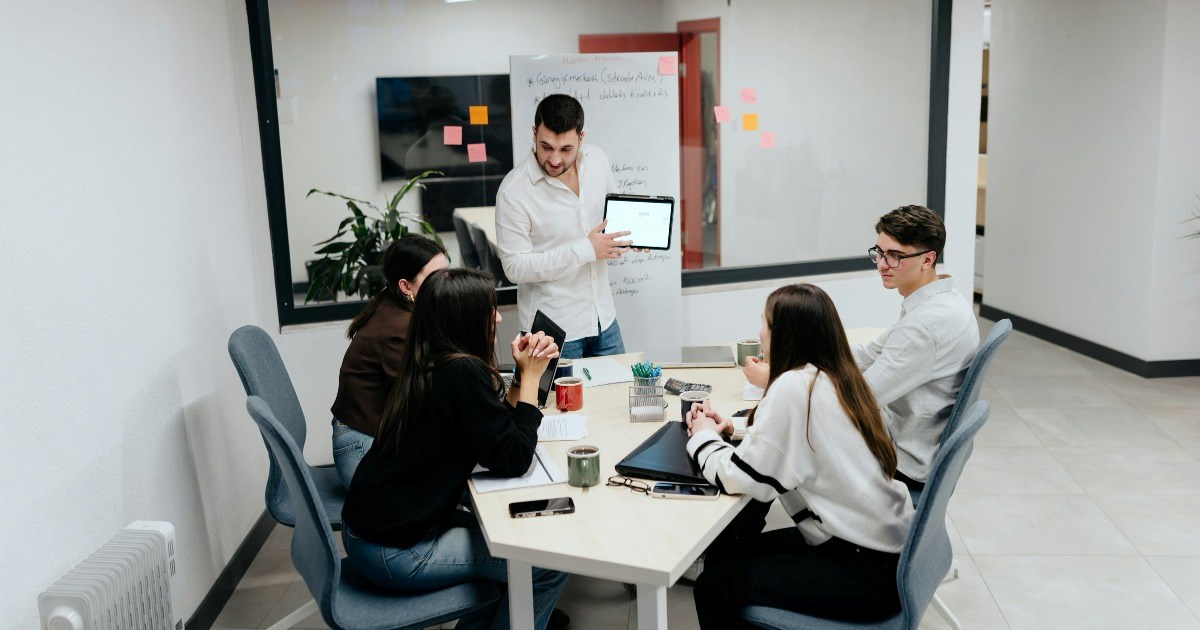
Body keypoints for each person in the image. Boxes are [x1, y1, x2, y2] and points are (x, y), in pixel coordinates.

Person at [341, 268, 569, 630]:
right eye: (489, 310)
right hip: (396, 550)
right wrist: (530, 378)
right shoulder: (460, 372)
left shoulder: (430, 359)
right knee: (548, 564)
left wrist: (521, 379)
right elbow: (514, 458)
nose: (498, 318)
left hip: (375, 531)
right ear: (465, 318)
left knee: (513, 539)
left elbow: (492, 433)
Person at [684, 284, 914, 627]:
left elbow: (739, 478)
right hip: (884, 553)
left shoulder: (794, 387)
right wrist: (734, 428)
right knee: (723, 556)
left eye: (764, 322)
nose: (759, 332)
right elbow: (806, 440)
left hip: (862, 572)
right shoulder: (835, 375)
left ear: (784, 334)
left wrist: (702, 436)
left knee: (713, 587)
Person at [743, 205, 978, 493]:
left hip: (901, 461)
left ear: (927, 259)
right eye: (879, 252)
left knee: (784, 436)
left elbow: (856, 403)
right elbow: (867, 354)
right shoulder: (942, 301)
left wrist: (775, 380)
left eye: (894, 256)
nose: (882, 264)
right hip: (906, 435)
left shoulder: (925, 327)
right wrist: (795, 360)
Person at [495, 93, 633, 359]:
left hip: (603, 318)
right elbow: (514, 267)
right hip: (551, 331)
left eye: (566, 149)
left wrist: (631, 234)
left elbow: (612, 212)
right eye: (546, 147)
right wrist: (585, 250)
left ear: (581, 138)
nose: (555, 159)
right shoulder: (513, 191)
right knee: (559, 392)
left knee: (622, 386)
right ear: (534, 134)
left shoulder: (597, 159)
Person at [329, 234, 448, 489]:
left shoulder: (394, 303)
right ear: (406, 286)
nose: (445, 283)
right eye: (435, 277)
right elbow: (427, 400)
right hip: (361, 450)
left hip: (369, 437)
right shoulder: (400, 330)